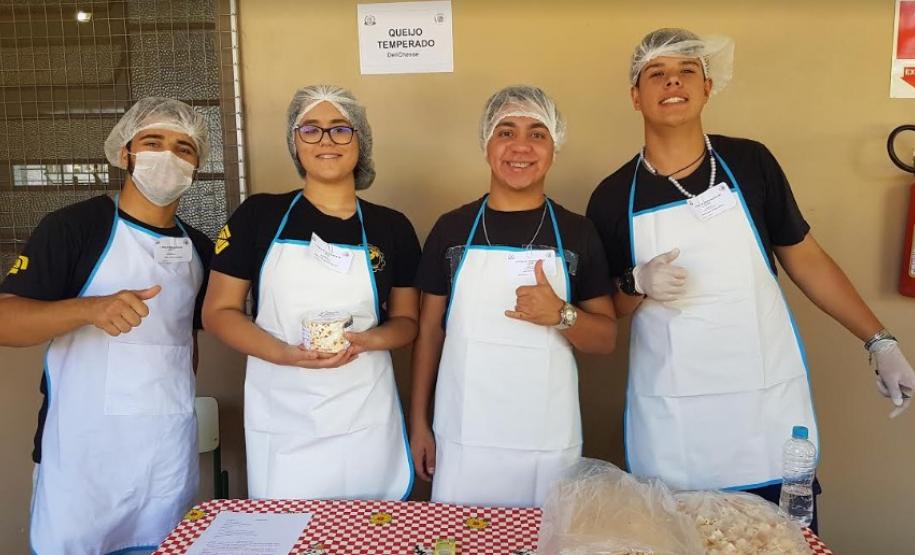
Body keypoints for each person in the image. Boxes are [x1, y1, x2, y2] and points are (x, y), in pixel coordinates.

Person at [586, 28, 915, 531]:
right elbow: (608, 312)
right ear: (635, 95)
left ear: (707, 86)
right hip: (677, 424)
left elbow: (807, 259)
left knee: (781, 541)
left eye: (686, 71)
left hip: (764, 407)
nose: (672, 82)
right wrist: (636, 282)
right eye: (656, 73)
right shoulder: (612, 197)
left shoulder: (750, 163)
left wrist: (879, 340)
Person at [0, 97, 213, 554]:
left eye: (184, 148)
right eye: (152, 142)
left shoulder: (199, 248)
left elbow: (184, 344)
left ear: (196, 166)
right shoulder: (74, 228)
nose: (168, 156)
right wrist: (87, 310)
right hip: (83, 465)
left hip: (165, 461)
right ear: (125, 153)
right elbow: (5, 321)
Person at [202, 85, 420, 501]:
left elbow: (408, 322)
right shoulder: (259, 216)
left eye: (340, 129)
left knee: (367, 536)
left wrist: (371, 340)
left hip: (364, 414)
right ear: (294, 141)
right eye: (311, 130)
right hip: (284, 415)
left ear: (362, 141)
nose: (326, 141)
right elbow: (219, 311)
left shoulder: (391, 227)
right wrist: (283, 353)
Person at [410, 85, 618, 508]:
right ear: (486, 143)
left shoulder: (577, 232)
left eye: (537, 133)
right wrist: (419, 422)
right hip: (465, 433)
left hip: (546, 437)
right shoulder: (452, 230)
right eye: (506, 132)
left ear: (554, 147)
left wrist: (562, 314)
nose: (520, 146)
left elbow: (606, 339)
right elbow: (428, 331)